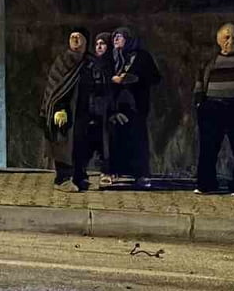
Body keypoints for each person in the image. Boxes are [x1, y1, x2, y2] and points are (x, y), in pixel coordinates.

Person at [193, 22, 234, 198]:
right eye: (227, 37)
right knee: (208, 149)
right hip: (212, 107)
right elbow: (199, 79)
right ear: (219, 39)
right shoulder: (210, 58)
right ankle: (206, 184)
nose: (231, 41)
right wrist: (199, 101)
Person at [41, 28, 95, 192]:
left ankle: (80, 177)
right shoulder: (64, 60)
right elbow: (54, 88)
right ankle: (62, 179)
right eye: (72, 37)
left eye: (79, 38)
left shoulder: (89, 62)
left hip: (84, 111)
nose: (75, 40)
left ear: (86, 41)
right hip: (65, 112)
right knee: (63, 144)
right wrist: (59, 109)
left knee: (82, 145)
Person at [107, 26, 161, 189]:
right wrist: (113, 80)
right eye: (115, 36)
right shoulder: (111, 57)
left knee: (137, 138)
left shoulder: (142, 57)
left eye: (120, 36)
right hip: (115, 104)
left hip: (136, 104)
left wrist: (135, 78)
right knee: (114, 137)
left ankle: (140, 174)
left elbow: (155, 78)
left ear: (129, 39)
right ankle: (113, 171)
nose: (116, 39)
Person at [90, 32, 115, 186]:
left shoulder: (114, 63)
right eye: (97, 44)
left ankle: (109, 171)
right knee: (98, 139)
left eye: (102, 43)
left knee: (110, 140)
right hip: (95, 106)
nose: (99, 46)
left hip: (110, 106)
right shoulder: (92, 63)